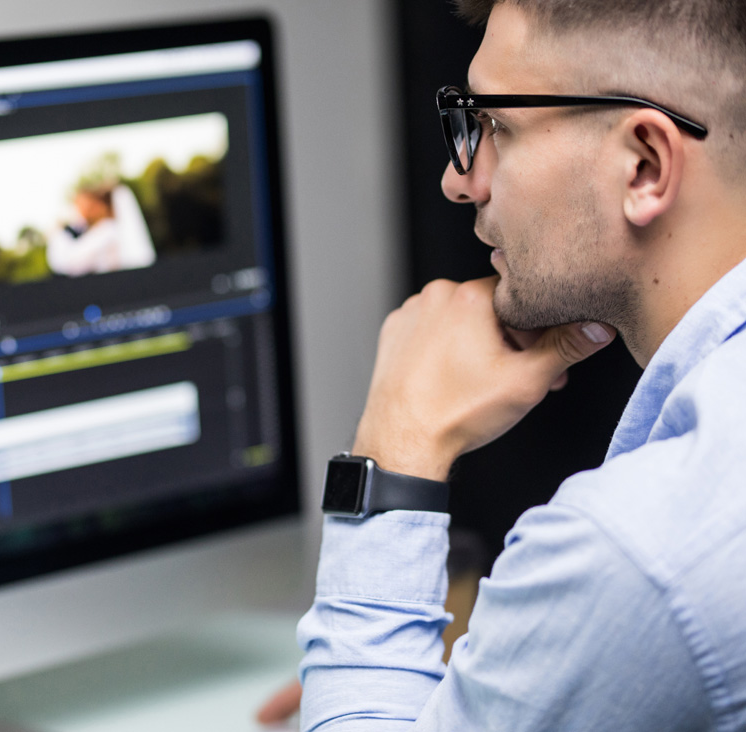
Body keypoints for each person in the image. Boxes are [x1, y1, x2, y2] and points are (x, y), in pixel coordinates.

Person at [292, 1, 746, 729]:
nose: (459, 180)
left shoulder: (635, 550)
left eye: (498, 126)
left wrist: (398, 444)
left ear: (644, 164)